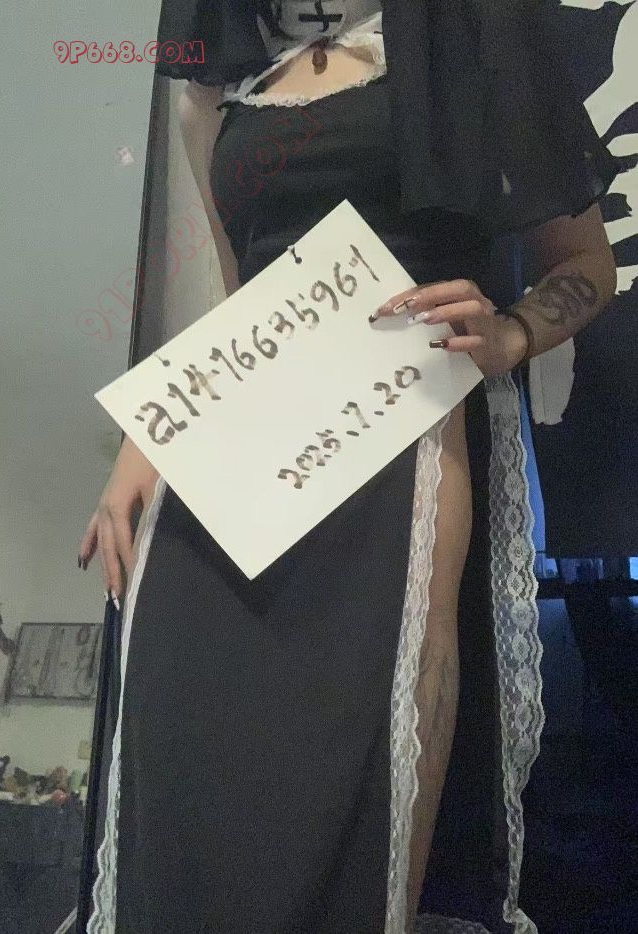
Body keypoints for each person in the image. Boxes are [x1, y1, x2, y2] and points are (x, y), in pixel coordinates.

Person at [79, 2, 620, 931]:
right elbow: (245, 301)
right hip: (226, 473)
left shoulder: (475, 55)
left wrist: (512, 331)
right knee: (185, 768)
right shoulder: (225, 92)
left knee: (363, 765)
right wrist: (149, 436)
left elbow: (586, 263)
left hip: (398, 449)